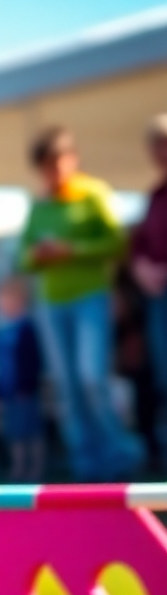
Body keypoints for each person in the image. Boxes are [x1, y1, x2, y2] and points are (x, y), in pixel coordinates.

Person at [20, 126, 142, 480]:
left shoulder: (93, 195)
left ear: (72, 159)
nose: (53, 173)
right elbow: (24, 258)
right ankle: (85, 462)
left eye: (57, 163)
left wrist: (71, 250)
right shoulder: (40, 205)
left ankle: (119, 455)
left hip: (90, 298)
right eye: (45, 167)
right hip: (51, 303)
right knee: (66, 384)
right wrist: (40, 254)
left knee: (92, 377)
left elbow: (117, 244)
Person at [131, 113, 167, 460]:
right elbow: (139, 244)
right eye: (157, 145)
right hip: (157, 297)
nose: (161, 152)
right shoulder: (155, 196)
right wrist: (143, 268)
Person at [0, 274, 44, 482]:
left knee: (32, 431)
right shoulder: (2, 331)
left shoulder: (27, 329)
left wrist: (27, 386)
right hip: (9, 394)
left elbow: (34, 363)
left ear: (20, 302)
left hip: (26, 393)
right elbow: (0, 365)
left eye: (5, 301)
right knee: (14, 433)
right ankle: (18, 467)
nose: (1, 306)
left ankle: (36, 469)